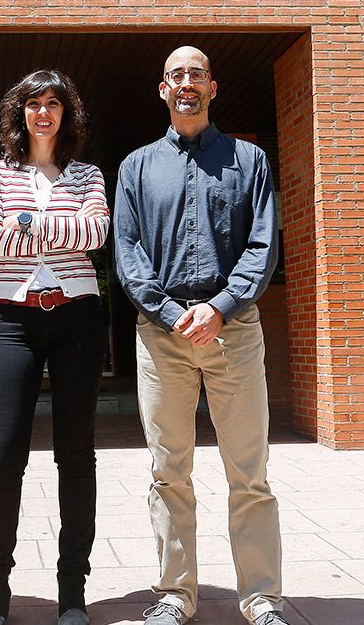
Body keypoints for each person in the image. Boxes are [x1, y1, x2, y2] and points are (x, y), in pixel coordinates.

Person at [112, 46, 287, 625]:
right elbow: (128, 253)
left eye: (196, 74)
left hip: (233, 330)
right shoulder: (136, 167)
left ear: (213, 86)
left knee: (250, 471)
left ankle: (261, 597)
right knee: (168, 470)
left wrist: (221, 305)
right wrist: (166, 313)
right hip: (161, 336)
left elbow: (262, 245)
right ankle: (174, 596)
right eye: (176, 75)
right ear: (162, 89)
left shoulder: (250, 160)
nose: (186, 83)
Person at [0, 69, 109, 625]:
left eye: (54, 103)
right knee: (4, 457)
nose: (44, 113)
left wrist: (26, 223)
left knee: (75, 455)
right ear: (19, 113)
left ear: (66, 113)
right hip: (14, 321)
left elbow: (97, 232)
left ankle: (72, 592)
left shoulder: (89, 174)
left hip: (78, 319)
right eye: (33, 104)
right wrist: (60, 223)